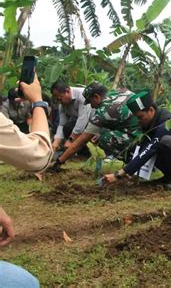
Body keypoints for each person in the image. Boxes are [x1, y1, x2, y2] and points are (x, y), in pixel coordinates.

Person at [1, 73, 51, 287]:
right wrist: (38, 102)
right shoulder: (7, 108)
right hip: (17, 132)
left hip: (17, 129)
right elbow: (39, 154)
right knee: (24, 283)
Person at [102, 91, 171, 191]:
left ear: (151, 110)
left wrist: (119, 174)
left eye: (140, 117)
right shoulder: (150, 124)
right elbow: (143, 148)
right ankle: (170, 177)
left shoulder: (168, 123)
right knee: (150, 145)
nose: (138, 121)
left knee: (165, 141)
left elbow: (150, 149)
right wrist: (133, 173)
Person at [49, 82, 141, 171]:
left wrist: (59, 161)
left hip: (136, 137)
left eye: (90, 102)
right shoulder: (119, 93)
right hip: (144, 129)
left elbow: (80, 142)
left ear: (96, 97)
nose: (91, 106)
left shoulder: (104, 112)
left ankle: (133, 160)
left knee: (103, 138)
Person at [50, 80, 94, 151]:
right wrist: (56, 141)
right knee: (67, 128)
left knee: (73, 129)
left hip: (96, 123)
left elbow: (82, 120)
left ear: (67, 91)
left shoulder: (82, 95)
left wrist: (70, 141)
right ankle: (82, 152)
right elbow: (62, 124)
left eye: (60, 99)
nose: (59, 102)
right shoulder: (62, 105)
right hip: (84, 125)